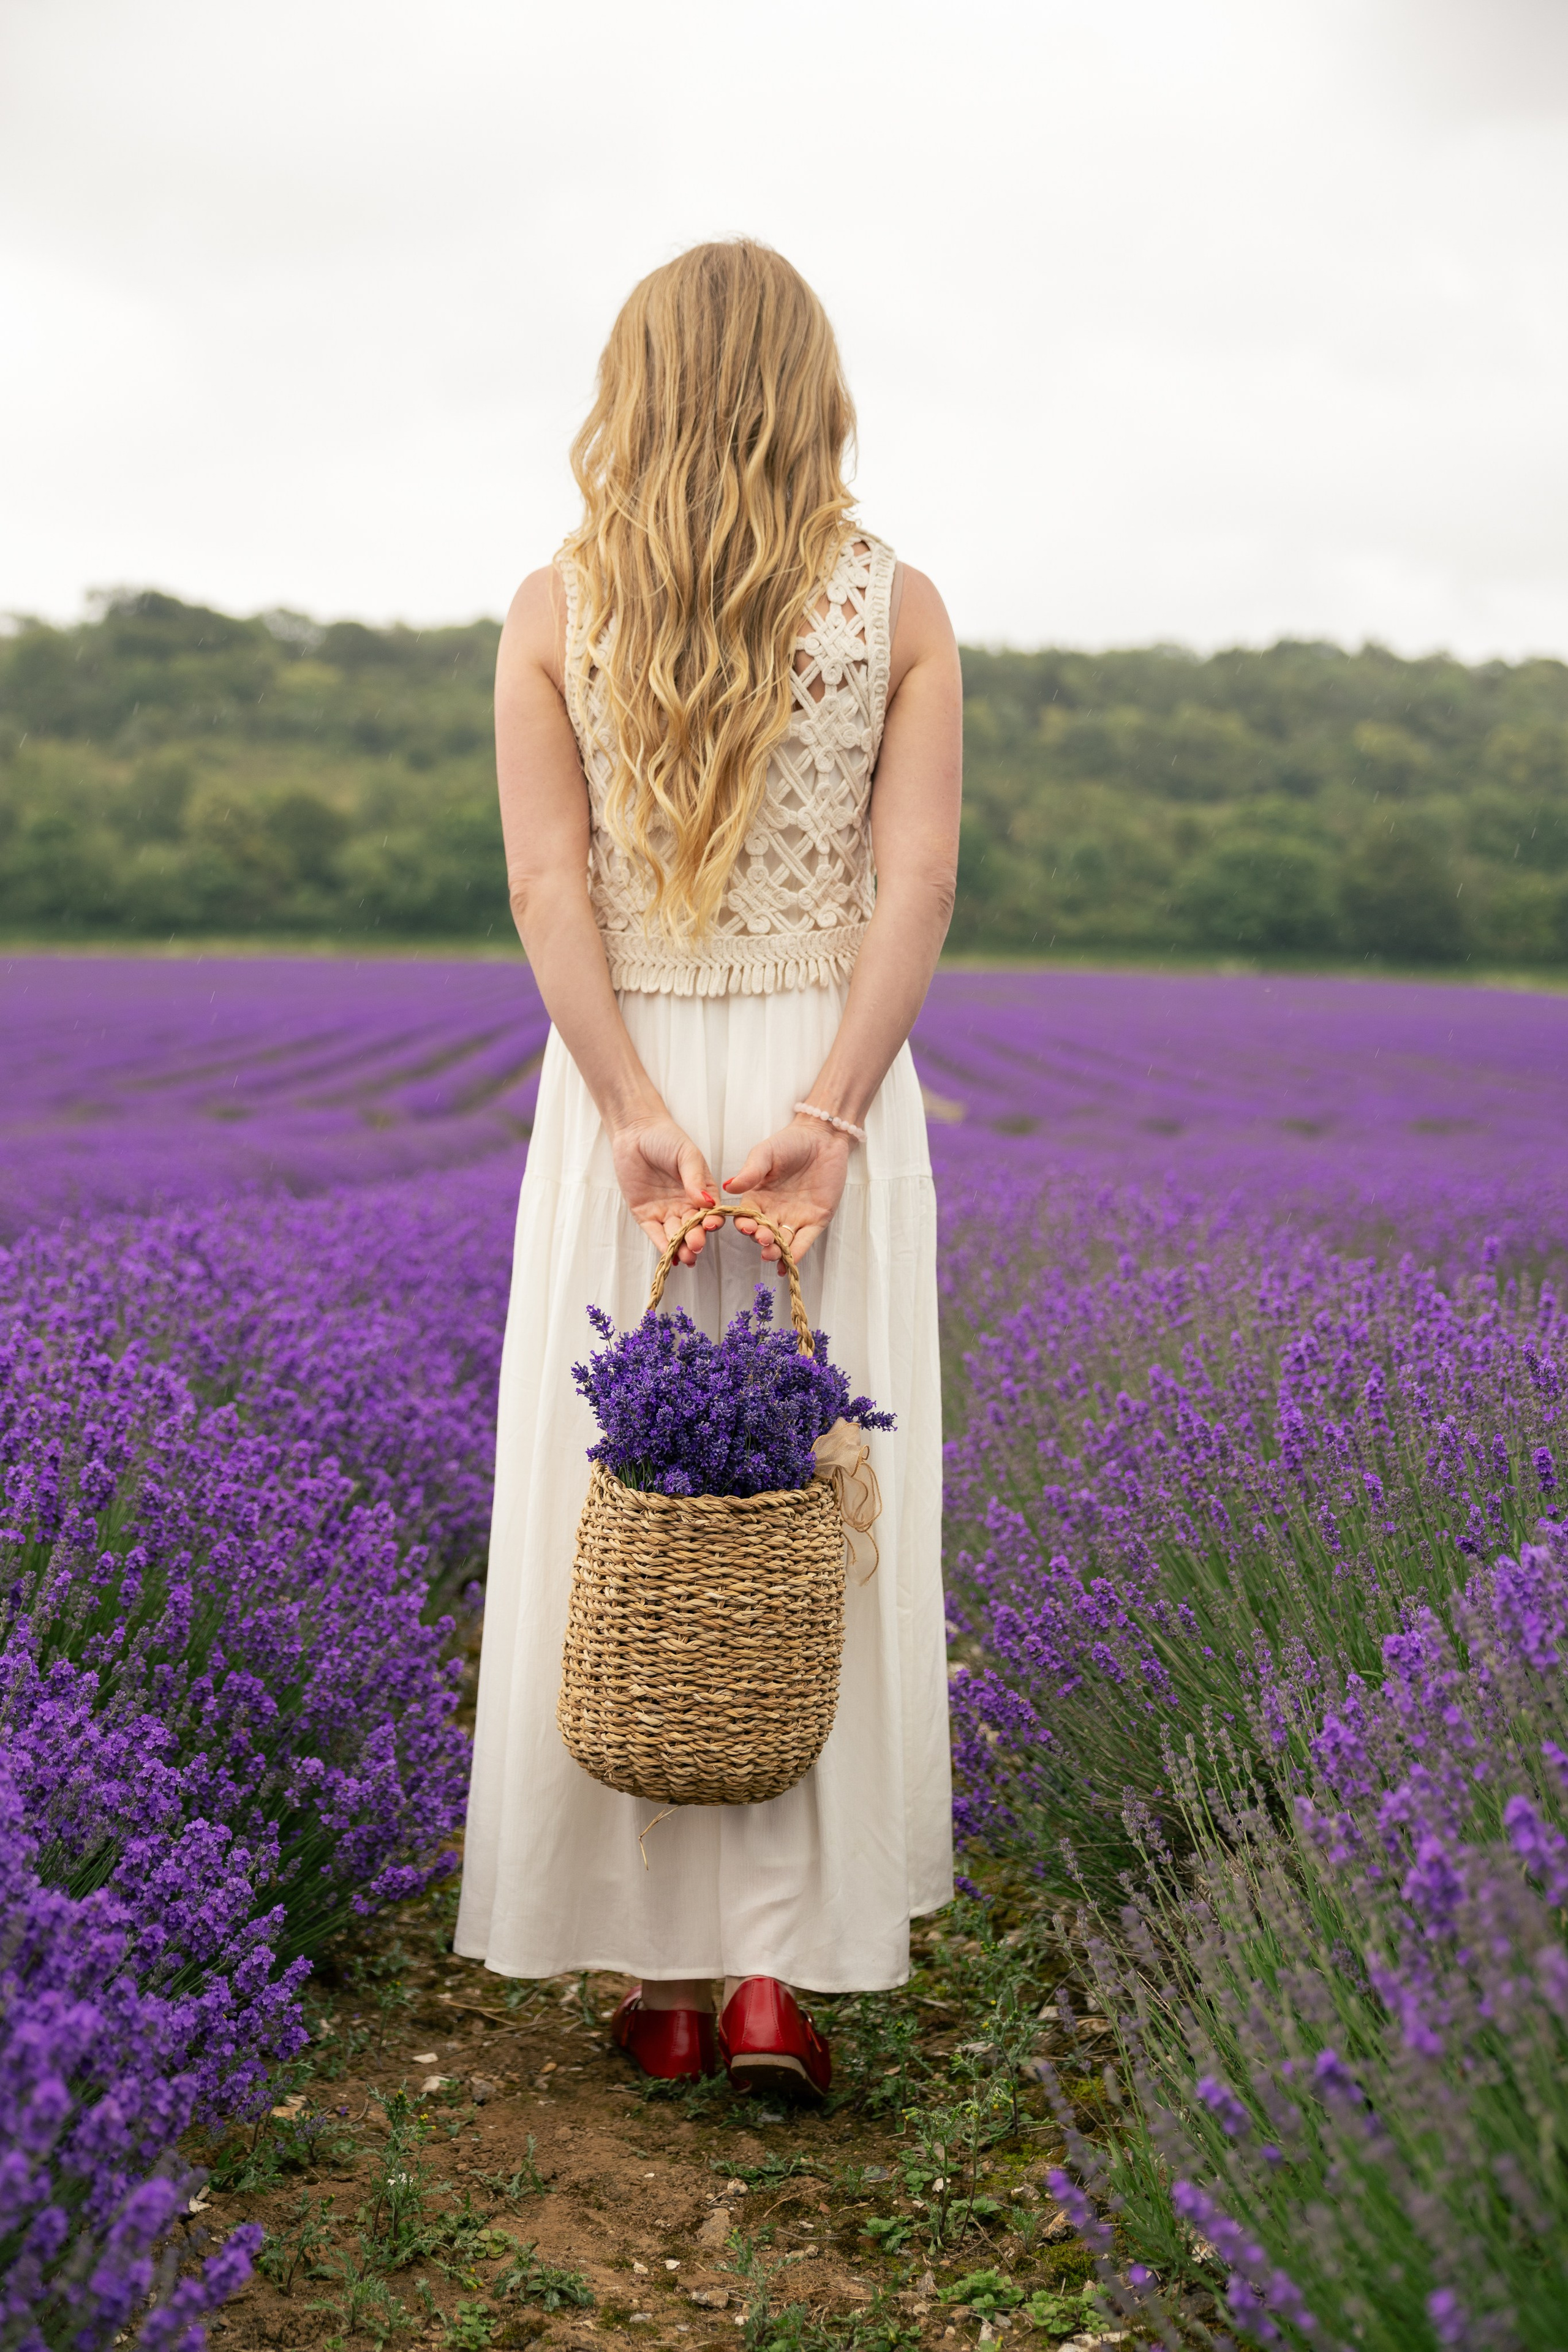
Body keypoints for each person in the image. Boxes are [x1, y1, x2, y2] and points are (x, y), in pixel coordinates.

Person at [455, 238, 962, 2100]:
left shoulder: (554, 606)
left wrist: (625, 1107)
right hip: (830, 1078)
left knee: (625, 1521)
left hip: (632, 1087)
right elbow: (917, 886)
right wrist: (831, 1112)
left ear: (635, 386)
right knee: (813, 1516)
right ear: (814, 391)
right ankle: (776, 1978)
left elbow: (546, 886)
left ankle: (660, 1980)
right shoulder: (900, 608)